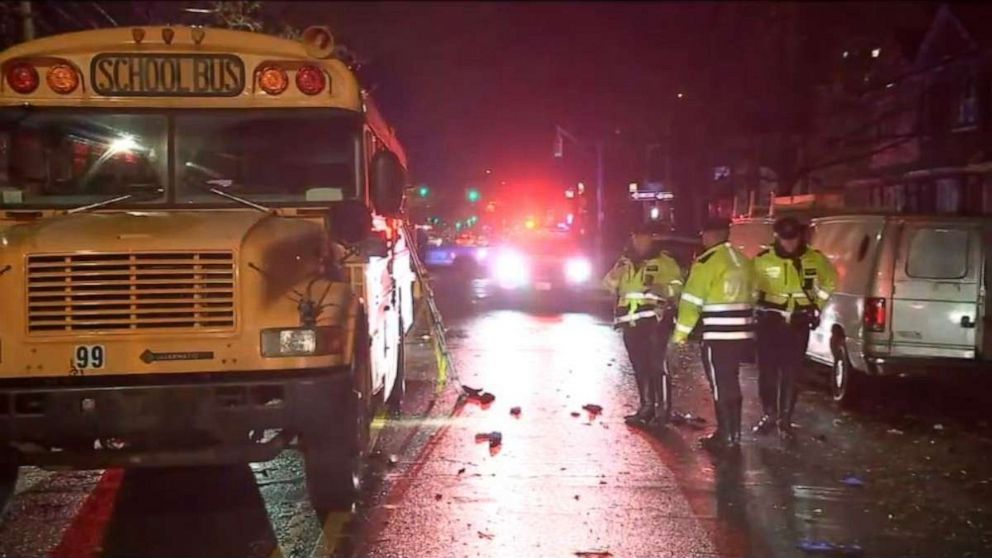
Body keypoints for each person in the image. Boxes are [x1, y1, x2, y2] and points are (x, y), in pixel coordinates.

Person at [671, 218, 754, 453]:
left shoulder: (707, 263)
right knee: (731, 380)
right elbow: (754, 293)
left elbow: (691, 301)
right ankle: (734, 434)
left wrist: (680, 335)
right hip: (741, 333)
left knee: (720, 383)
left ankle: (725, 435)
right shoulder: (742, 260)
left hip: (718, 334)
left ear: (710, 235)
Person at [752, 217, 837, 440]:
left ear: (800, 237)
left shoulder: (814, 259)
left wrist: (816, 305)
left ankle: (785, 419)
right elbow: (750, 288)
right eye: (785, 239)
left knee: (791, 373)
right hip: (770, 321)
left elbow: (830, 281)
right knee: (767, 371)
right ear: (777, 237)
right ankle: (769, 414)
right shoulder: (762, 260)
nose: (789, 244)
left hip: (798, 322)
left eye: (793, 239)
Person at [603, 223, 684, 425]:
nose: (640, 241)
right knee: (639, 366)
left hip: (655, 321)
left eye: (644, 237)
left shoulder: (664, 262)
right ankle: (646, 407)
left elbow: (678, 286)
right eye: (637, 237)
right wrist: (616, 276)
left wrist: (663, 289)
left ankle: (662, 410)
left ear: (651, 239)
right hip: (630, 322)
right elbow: (608, 285)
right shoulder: (625, 262)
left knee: (657, 365)